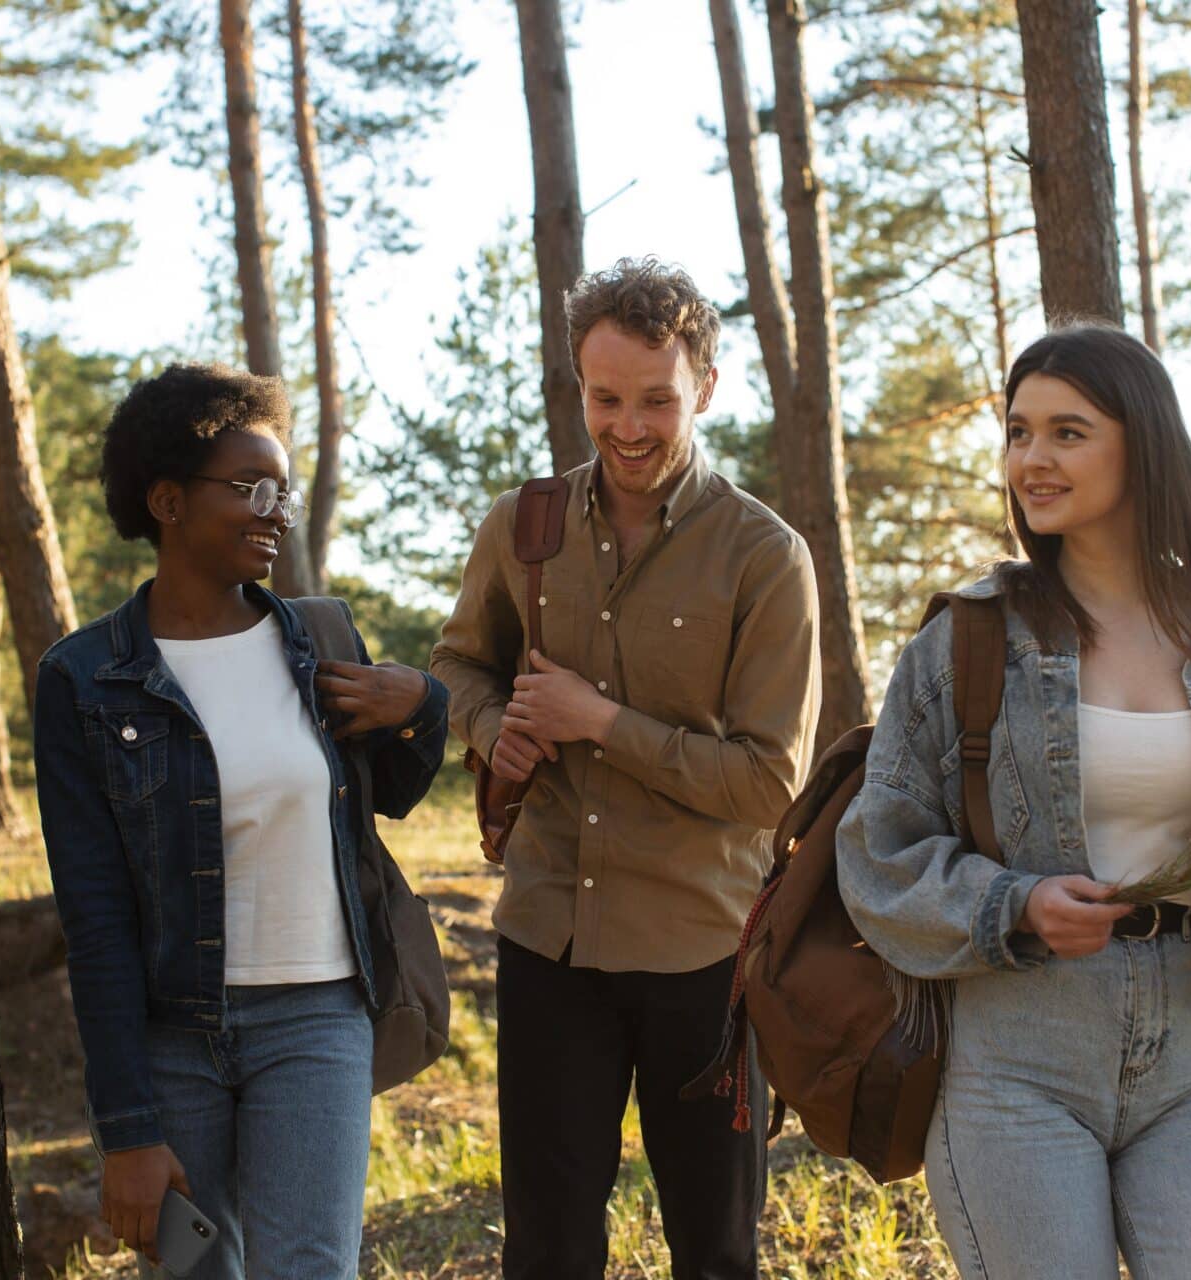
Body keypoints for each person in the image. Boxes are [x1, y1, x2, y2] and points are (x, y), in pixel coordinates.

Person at [837, 324, 1191, 1279]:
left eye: (1067, 432)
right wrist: (1015, 905)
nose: (1031, 459)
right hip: (1016, 1053)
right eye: (1018, 432)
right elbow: (877, 849)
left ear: (1142, 441)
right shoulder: (966, 639)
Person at [430, 257, 821, 1279]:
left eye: (657, 398)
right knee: (548, 1247)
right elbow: (457, 662)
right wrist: (491, 727)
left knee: (716, 1247)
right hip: (548, 941)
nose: (630, 425)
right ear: (578, 386)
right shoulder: (525, 527)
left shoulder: (764, 557)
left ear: (705, 388)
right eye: (606, 398)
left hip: (705, 956)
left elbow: (772, 783)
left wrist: (599, 719)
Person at [33, 363, 448, 1278]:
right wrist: (126, 1131)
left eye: (284, 493)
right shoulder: (82, 679)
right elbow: (95, 919)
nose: (275, 511)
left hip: (318, 1017)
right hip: (169, 1040)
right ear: (167, 499)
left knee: (308, 1269)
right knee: (195, 1277)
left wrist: (424, 705)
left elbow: (392, 795)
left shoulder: (321, 643)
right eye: (251, 488)